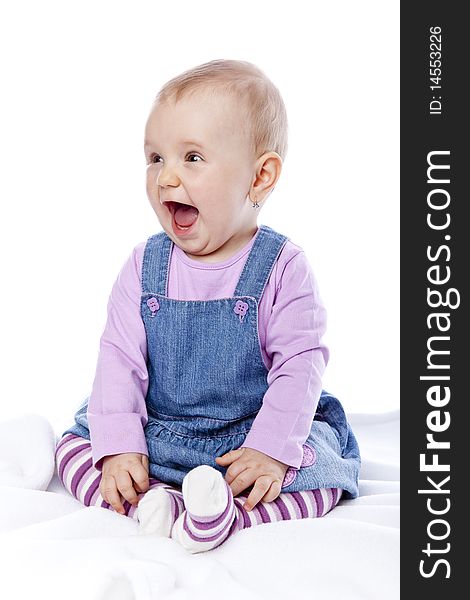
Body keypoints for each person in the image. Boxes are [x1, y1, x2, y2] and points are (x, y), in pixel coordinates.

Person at [56, 59, 360, 554]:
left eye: (192, 158)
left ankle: (221, 515)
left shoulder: (284, 268)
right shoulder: (144, 264)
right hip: (163, 428)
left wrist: (269, 451)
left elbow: (300, 367)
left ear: (260, 177)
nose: (165, 177)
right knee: (79, 447)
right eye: (155, 157)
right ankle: (160, 504)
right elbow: (119, 359)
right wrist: (121, 447)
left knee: (323, 474)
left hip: (250, 435)